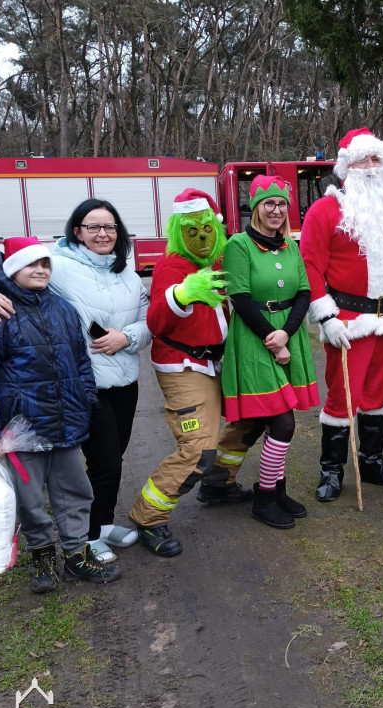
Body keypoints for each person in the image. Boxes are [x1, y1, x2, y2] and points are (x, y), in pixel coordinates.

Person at [0, 199, 151, 564]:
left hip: (126, 381)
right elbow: (8, 267)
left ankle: (102, 526)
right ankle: (87, 535)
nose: (102, 234)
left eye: (110, 227)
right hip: (86, 383)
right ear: (77, 231)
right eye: (93, 227)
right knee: (104, 460)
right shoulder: (60, 265)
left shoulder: (129, 274)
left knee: (113, 457)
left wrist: (128, 337)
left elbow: (149, 321)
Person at [0, 237, 121, 592]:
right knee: (30, 499)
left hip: (66, 425)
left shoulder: (63, 309)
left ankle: (76, 555)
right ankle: (42, 555)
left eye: (45, 264)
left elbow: (81, 362)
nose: (40, 270)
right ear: (12, 270)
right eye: (31, 264)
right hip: (22, 432)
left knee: (75, 491)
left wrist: (85, 400)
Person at [300, 127, 383, 502]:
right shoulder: (325, 210)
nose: (370, 166)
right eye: (362, 160)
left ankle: (370, 461)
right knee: (343, 396)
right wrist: (326, 316)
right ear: (346, 167)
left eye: (376, 159)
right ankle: (332, 469)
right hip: (348, 321)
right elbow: (310, 266)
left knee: (379, 394)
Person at [128, 189, 252, 556]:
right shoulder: (171, 265)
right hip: (184, 365)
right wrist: (181, 295)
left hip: (220, 361)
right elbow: (156, 322)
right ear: (180, 230)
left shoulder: (218, 259)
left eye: (207, 228)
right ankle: (148, 516)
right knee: (198, 449)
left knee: (255, 416)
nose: (201, 237)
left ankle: (219, 483)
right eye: (192, 230)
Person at [198, 176, 318, 529]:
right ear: (256, 207)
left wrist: (287, 333)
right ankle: (264, 498)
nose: (276, 210)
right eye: (269, 204)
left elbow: (304, 292)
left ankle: (277, 491)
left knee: (276, 419)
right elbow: (239, 297)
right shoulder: (239, 244)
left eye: (282, 204)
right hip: (255, 337)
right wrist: (271, 337)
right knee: (282, 421)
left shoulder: (290, 245)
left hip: (287, 333)